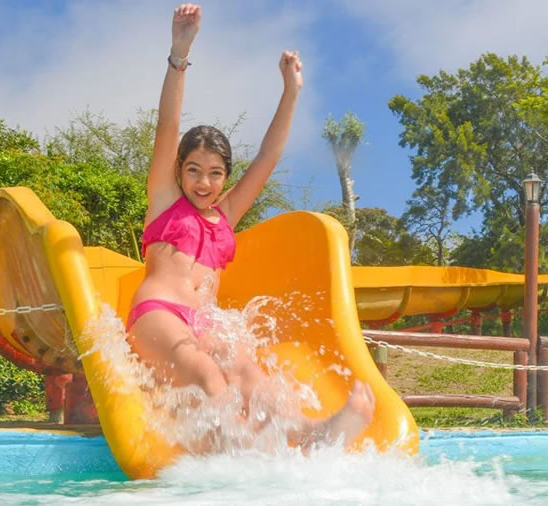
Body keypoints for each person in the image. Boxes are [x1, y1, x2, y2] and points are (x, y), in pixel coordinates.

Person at [127, 3, 374, 451]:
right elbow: (168, 124)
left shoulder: (225, 216)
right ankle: (241, 456)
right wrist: (179, 53)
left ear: (225, 176)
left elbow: (267, 157)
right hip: (158, 315)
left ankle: (310, 436)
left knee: (247, 371)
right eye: (195, 170)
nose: (204, 182)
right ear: (179, 169)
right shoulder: (164, 201)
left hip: (204, 321)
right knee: (204, 371)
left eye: (216, 172)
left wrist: (291, 91)